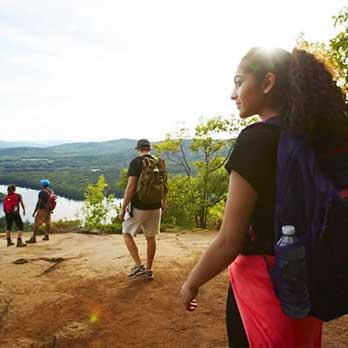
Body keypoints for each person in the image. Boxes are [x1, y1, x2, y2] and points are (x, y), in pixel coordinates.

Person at [181, 47, 348, 347]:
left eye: (238, 81)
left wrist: (192, 282)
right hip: (305, 283)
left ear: (267, 83)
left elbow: (228, 241)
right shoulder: (310, 136)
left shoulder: (255, 139)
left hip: (262, 286)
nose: (233, 94)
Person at [118, 139, 166, 280]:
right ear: (149, 148)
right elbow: (164, 185)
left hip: (140, 206)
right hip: (156, 206)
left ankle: (138, 265)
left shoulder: (136, 162)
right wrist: (163, 202)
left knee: (126, 232)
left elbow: (131, 187)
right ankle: (149, 270)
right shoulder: (158, 162)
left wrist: (123, 208)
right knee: (150, 238)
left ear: (138, 149)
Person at [27, 179, 53, 243]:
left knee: (37, 223)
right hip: (48, 210)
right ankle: (46, 235)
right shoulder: (50, 191)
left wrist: (35, 211)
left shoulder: (42, 192)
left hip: (42, 210)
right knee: (48, 222)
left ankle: (33, 238)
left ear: (43, 185)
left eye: (41, 184)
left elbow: (39, 202)